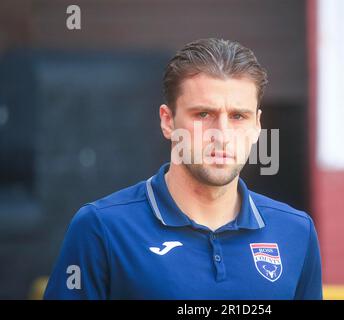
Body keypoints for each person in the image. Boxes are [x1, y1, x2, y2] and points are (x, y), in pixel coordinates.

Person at [44, 38, 322, 300]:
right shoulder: (101, 228)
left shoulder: (296, 232)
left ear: (257, 126)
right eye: (203, 114)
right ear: (168, 121)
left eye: (238, 116)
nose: (222, 135)